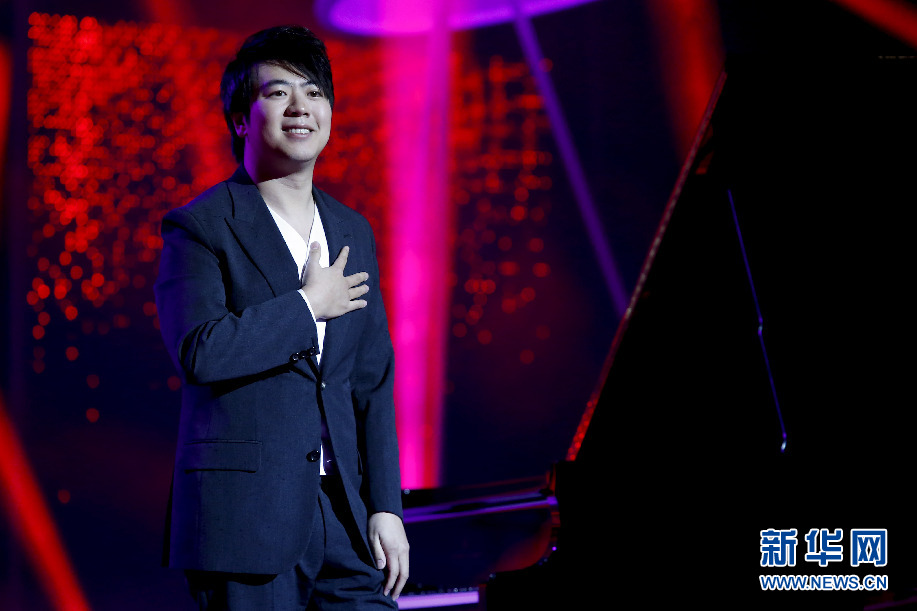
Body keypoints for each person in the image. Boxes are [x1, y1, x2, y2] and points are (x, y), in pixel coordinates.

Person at [154, 25, 409, 610]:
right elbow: (199, 350)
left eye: (314, 92)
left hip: (344, 514)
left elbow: (370, 381)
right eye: (277, 92)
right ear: (241, 119)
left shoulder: (352, 230)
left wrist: (386, 506)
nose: (300, 107)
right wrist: (307, 306)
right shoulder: (201, 226)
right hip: (246, 519)